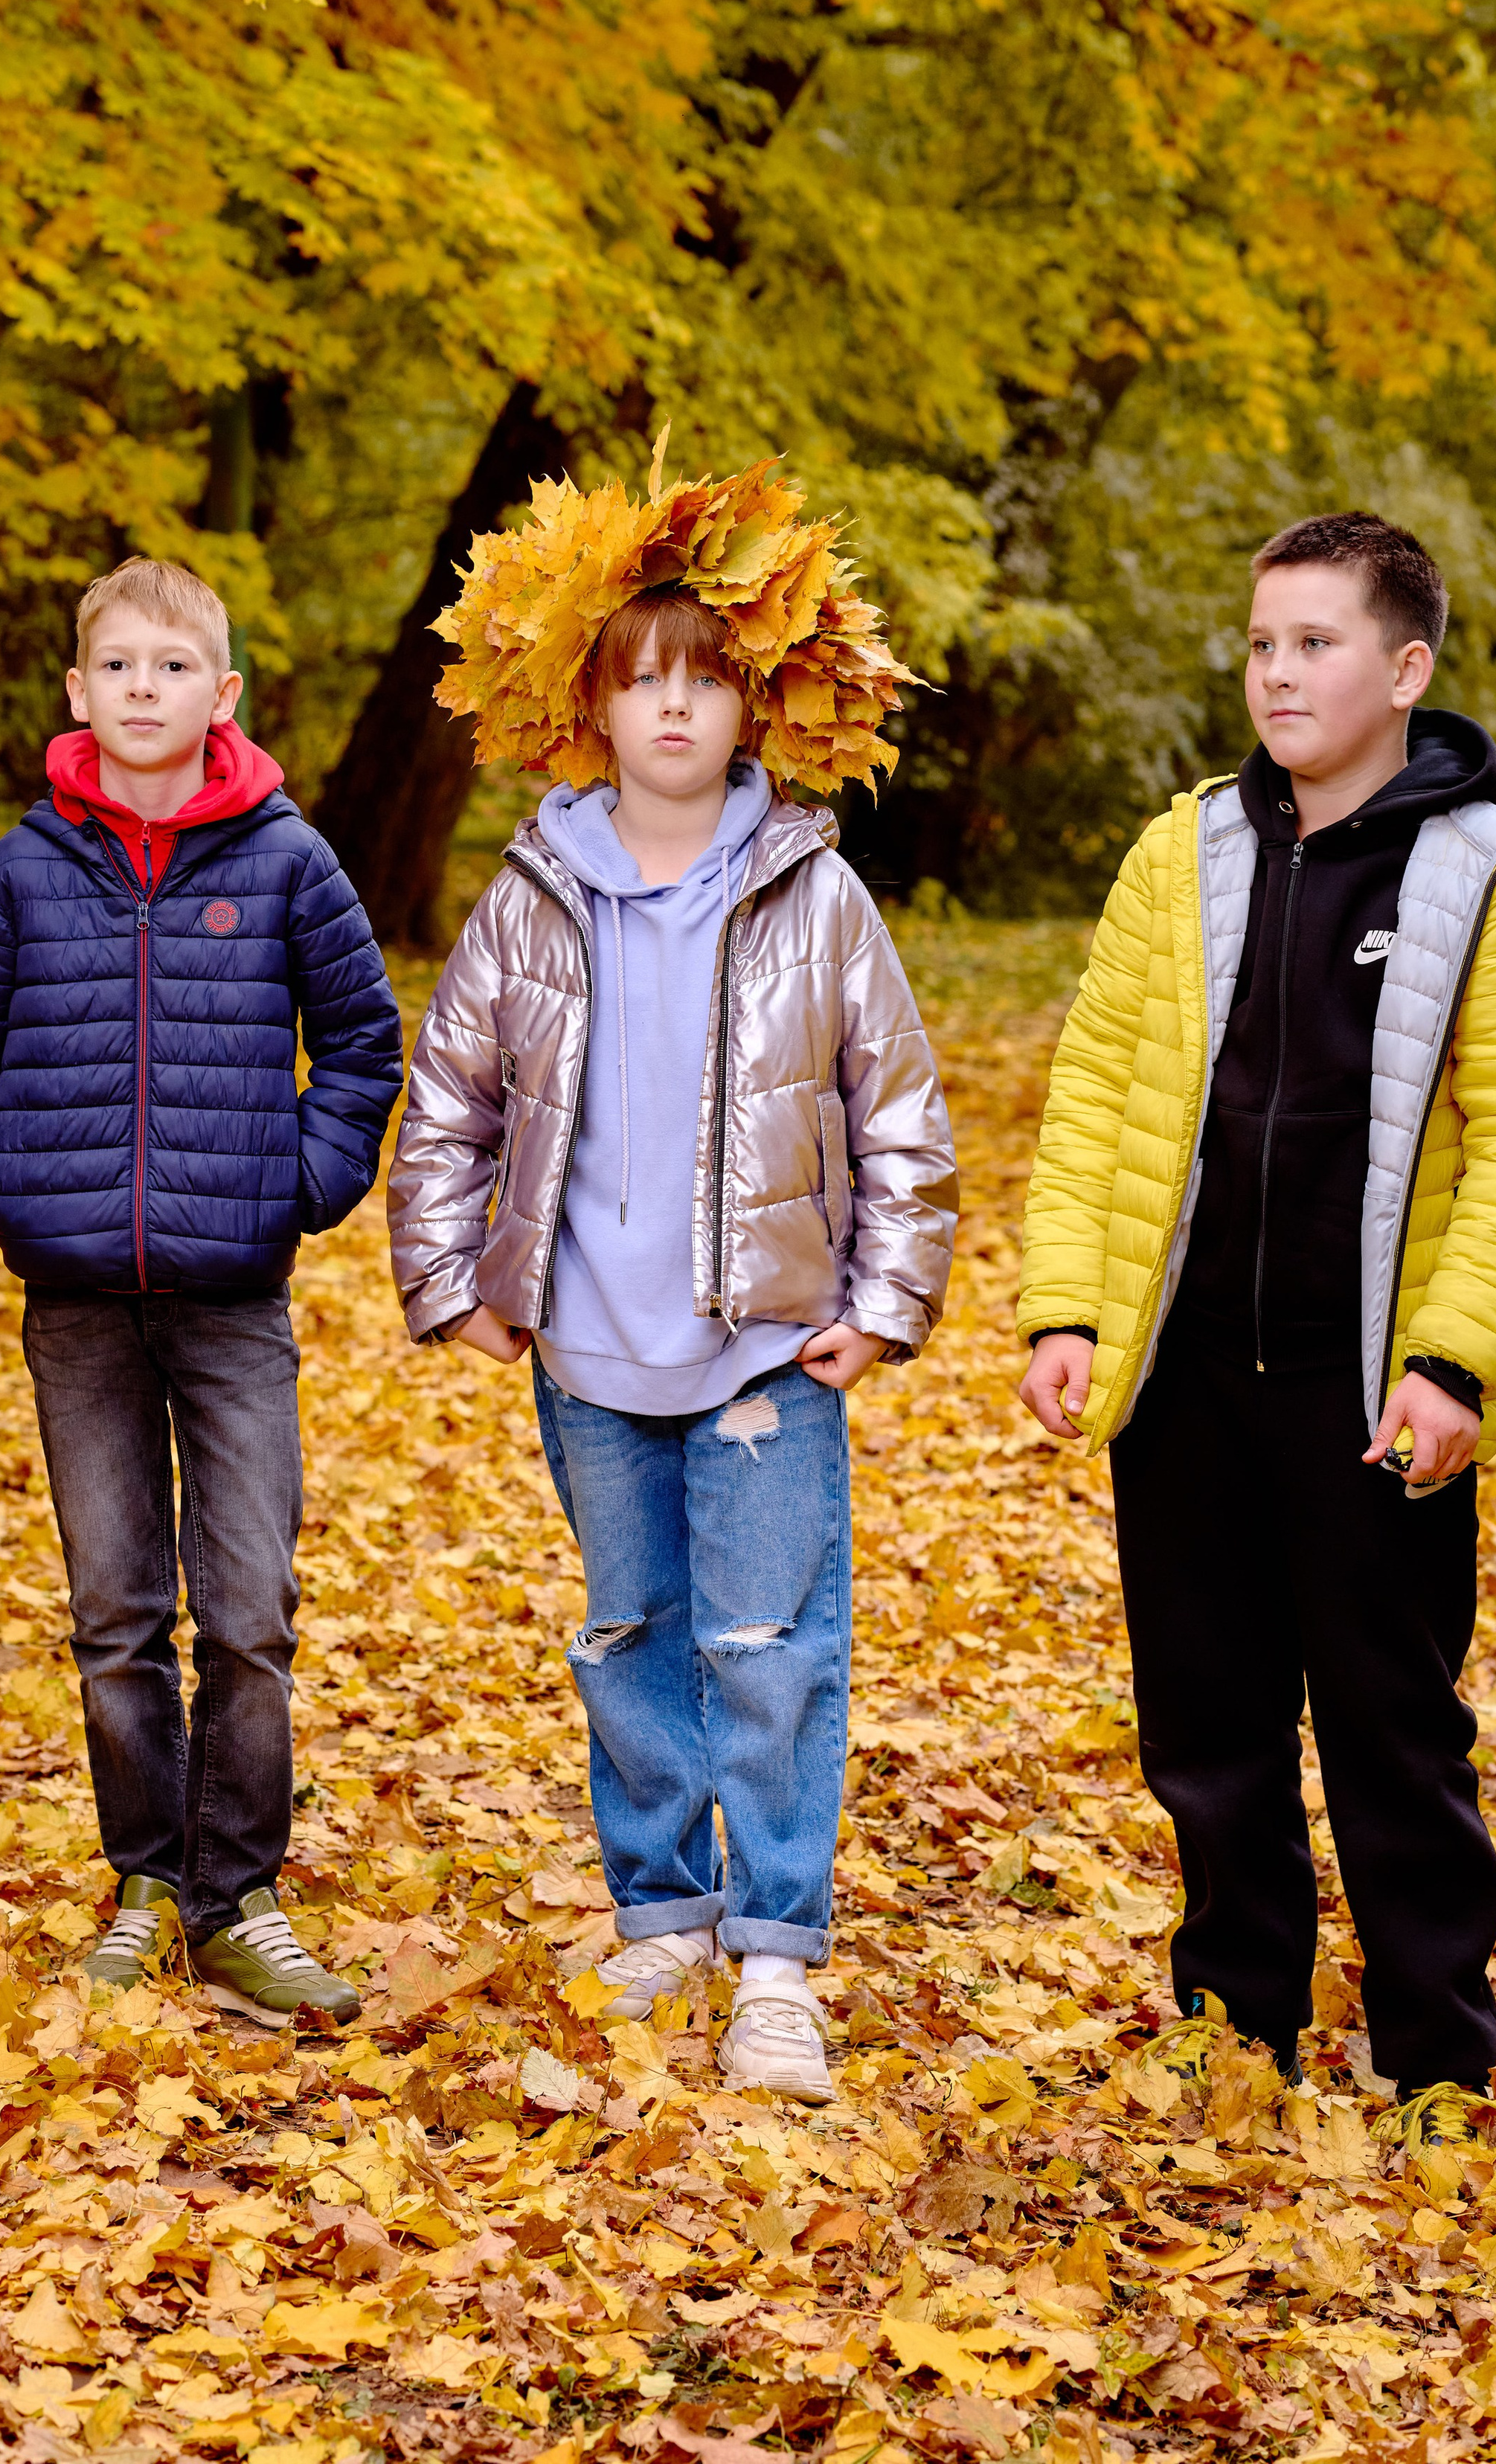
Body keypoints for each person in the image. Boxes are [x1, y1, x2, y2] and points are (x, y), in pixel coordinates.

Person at [1017, 510, 1496, 2154]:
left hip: (1366, 1397)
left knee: (1391, 1734)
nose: (1276, 672)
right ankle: (1233, 2025)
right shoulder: (1176, 852)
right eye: (1261, 643)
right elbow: (1091, 1098)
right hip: (1183, 1378)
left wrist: (1451, 1362)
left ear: (1402, 668)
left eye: (1315, 643)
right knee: (1203, 1725)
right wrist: (1065, 1308)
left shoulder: (1492, 875)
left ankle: (1433, 2058)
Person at [388, 452, 957, 2102]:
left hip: (766, 1347)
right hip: (586, 1348)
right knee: (628, 1634)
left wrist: (883, 1298)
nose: (671, 712)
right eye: (638, 682)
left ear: (750, 707)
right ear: (588, 708)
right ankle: (663, 1907)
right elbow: (449, 1106)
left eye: (703, 680)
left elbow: (896, 1109)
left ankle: (777, 1952)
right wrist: (455, 1281)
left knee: (768, 1644)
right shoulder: (529, 900)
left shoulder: (810, 894)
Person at [0, 558, 403, 2025]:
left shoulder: (284, 861)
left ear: (223, 695)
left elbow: (364, 1042)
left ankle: (237, 1894)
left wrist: (300, 1184)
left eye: (172, 668)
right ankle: (147, 1879)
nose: (144, 691)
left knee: (247, 1605)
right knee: (116, 1606)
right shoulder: (24, 868)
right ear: (78, 693)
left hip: (232, 1297)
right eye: (117, 668)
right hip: (74, 1301)